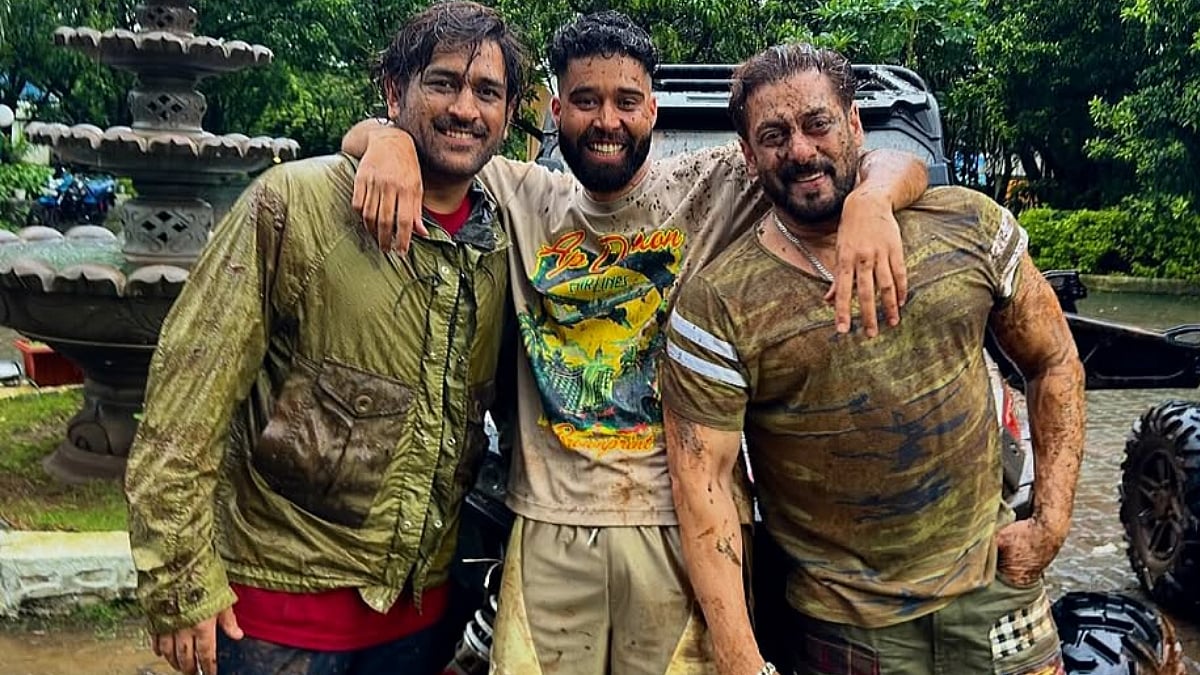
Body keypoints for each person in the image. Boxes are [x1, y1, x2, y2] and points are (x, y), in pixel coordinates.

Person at [343, 13, 928, 674]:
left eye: (626, 101)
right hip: (547, 531)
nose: (606, 120)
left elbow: (875, 156)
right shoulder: (518, 194)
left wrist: (871, 203)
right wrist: (389, 142)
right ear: (556, 109)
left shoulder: (714, 186)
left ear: (652, 107)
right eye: (586, 101)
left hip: (683, 535)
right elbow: (379, 139)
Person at [123, 3, 524, 674]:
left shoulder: (500, 246)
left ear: (509, 115)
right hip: (271, 618)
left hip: (419, 623)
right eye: (442, 83)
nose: (465, 108)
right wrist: (179, 581)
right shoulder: (295, 205)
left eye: (487, 91)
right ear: (396, 92)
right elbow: (184, 401)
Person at [660, 44, 1086, 675]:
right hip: (842, 624)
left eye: (817, 124)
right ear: (749, 156)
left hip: (995, 590)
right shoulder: (718, 303)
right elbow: (705, 486)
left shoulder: (967, 227)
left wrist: (1049, 522)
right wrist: (738, 655)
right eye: (773, 136)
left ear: (854, 125)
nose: (800, 150)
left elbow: (1054, 361)